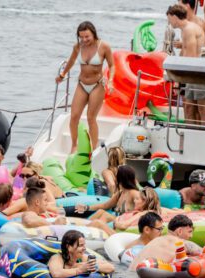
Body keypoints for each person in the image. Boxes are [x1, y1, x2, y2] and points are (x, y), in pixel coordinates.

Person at [56, 21, 115, 153]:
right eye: (81, 37)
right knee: (74, 116)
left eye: (87, 36)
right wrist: (62, 74)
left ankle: (92, 149)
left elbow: (112, 65)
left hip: (97, 85)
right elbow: (71, 61)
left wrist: (110, 81)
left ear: (93, 34)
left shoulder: (104, 46)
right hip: (82, 84)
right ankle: (74, 145)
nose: (84, 40)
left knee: (90, 117)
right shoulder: (78, 46)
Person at [167, 4, 205, 125]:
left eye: (169, 19)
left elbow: (191, 57)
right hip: (192, 74)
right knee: (189, 107)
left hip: (198, 74)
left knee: (202, 108)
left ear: (174, 17)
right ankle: (191, 134)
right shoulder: (186, 29)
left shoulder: (189, 30)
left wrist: (178, 77)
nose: (169, 22)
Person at [130, 213, 203, 268]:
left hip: (131, 275)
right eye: (189, 232)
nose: (191, 236)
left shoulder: (155, 241)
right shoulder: (179, 242)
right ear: (180, 231)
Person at [89, 185, 160, 235]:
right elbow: (168, 210)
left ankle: (82, 232)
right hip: (119, 233)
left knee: (97, 223)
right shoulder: (151, 211)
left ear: (145, 201)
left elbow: (123, 226)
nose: (134, 201)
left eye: (137, 199)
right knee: (101, 215)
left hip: (118, 236)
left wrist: (116, 221)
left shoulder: (142, 214)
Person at [48, 229, 115, 278]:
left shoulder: (82, 258)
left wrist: (94, 267)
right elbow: (56, 274)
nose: (84, 248)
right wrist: (80, 270)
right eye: (81, 245)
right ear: (69, 247)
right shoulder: (57, 258)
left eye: (84, 245)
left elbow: (111, 267)